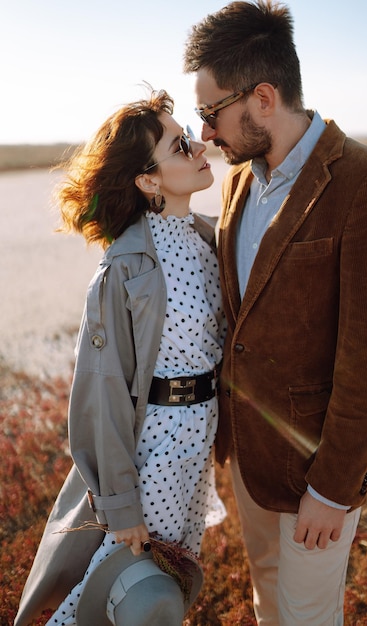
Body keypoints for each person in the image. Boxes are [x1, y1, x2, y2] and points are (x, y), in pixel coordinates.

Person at [183, 2, 367, 624]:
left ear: (263, 96)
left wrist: (332, 489)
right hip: (251, 464)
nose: (205, 132)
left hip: (316, 477)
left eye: (211, 114)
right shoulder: (237, 180)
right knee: (267, 601)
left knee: (308, 616)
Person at [14, 88, 226, 626]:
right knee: (119, 592)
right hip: (150, 452)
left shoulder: (206, 239)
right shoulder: (122, 269)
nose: (200, 145)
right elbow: (100, 392)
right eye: (181, 145)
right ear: (148, 180)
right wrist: (121, 503)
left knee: (163, 587)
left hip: (196, 448)